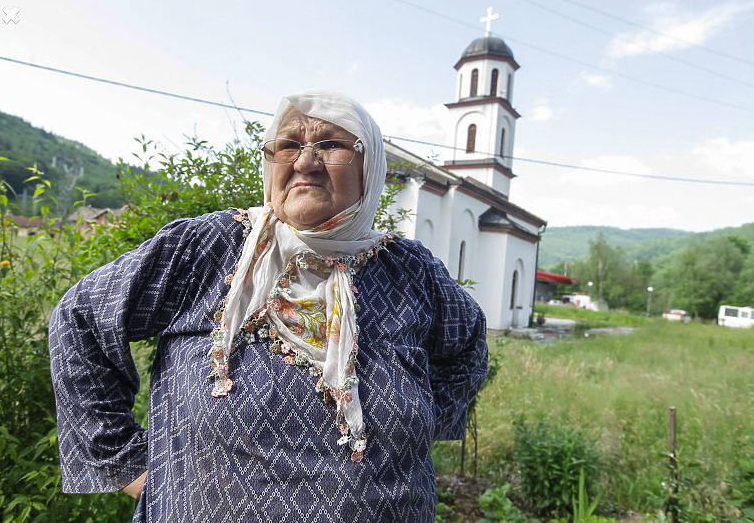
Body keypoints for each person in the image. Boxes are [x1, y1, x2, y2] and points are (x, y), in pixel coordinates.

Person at [49, 88, 489, 522]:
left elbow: (467, 348)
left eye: (331, 145)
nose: (304, 162)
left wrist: (417, 426)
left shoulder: (409, 271)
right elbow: (83, 319)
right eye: (289, 145)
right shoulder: (211, 247)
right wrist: (126, 464)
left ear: (369, 165)